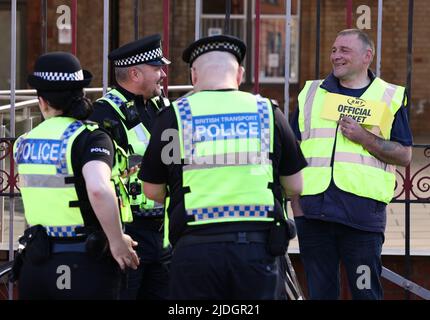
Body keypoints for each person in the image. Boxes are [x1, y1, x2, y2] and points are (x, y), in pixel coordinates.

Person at [140, 34, 307, 300]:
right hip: (257, 248)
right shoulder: (267, 113)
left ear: (194, 75)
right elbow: (296, 185)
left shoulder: (175, 116)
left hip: (195, 249)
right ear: (239, 74)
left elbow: (152, 189)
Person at [290, 29, 413, 300]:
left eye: (344, 50)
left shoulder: (389, 96)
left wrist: (364, 137)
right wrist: (297, 206)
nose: (336, 56)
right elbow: (292, 153)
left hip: (362, 221)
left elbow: (404, 155)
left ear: (367, 56)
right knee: (321, 295)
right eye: (334, 50)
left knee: (365, 291)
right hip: (314, 217)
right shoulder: (311, 93)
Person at [13, 52, 139, 300]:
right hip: (83, 263)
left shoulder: (23, 143)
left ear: (42, 101)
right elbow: (99, 189)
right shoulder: (90, 137)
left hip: (36, 264)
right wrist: (116, 240)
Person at [90, 34, 171, 300]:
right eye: (157, 68)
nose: (163, 74)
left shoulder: (162, 106)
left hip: (164, 233)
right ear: (135, 73)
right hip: (130, 235)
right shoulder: (105, 114)